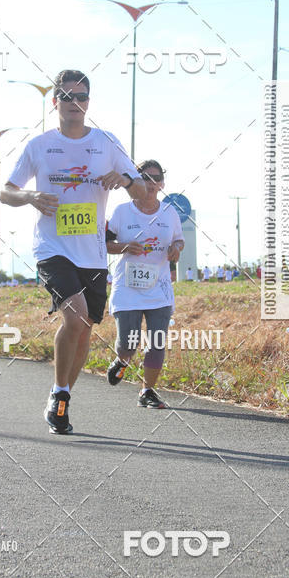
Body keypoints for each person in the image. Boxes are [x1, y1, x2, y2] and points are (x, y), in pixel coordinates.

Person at [0, 68, 145, 434]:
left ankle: (61, 393)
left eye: (81, 97)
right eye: (67, 97)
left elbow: (143, 190)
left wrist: (125, 180)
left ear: (88, 103)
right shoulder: (40, 146)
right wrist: (31, 196)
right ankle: (60, 392)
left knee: (86, 328)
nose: (75, 104)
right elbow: (6, 191)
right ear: (55, 102)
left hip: (93, 253)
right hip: (53, 247)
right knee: (76, 316)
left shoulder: (106, 143)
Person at [105, 159, 184, 409]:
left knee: (157, 340)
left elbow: (179, 241)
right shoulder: (121, 212)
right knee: (128, 343)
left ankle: (147, 391)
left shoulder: (170, 213)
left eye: (156, 178)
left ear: (162, 183)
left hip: (158, 287)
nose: (151, 184)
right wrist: (125, 247)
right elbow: (103, 243)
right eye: (145, 178)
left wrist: (176, 249)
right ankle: (122, 361)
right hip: (128, 286)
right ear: (136, 182)